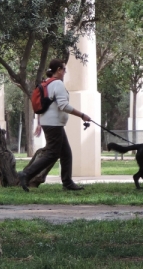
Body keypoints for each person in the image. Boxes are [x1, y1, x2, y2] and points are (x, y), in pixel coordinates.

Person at [18, 58, 92, 192]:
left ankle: (67, 182)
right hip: (54, 125)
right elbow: (63, 106)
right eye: (64, 69)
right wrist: (82, 115)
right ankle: (26, 174)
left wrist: (40, 123)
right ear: (58, 70)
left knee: (66, 153)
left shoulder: (47, 83)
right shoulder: (57, 84)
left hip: (51, 123)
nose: (65, 72)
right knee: (52, 154)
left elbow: (46, 106)